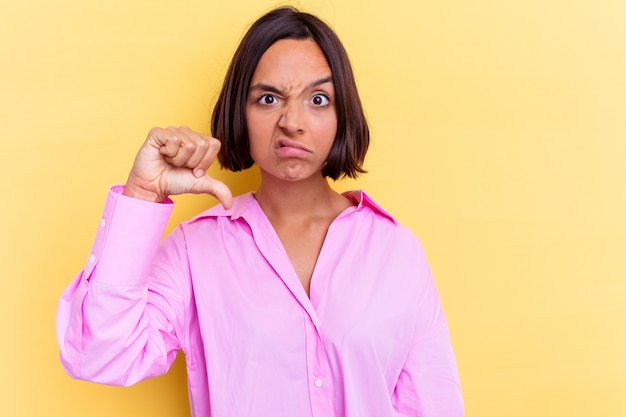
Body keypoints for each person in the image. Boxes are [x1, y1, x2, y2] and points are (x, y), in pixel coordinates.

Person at [56, 6, 464, 417]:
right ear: (240, 111)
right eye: (269, 99)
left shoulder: (397, 251)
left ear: (343, 116)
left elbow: (433, 405)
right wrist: (141, 193)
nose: (293, 122)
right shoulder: (195, 251)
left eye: (318, 99)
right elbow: (99, 354)